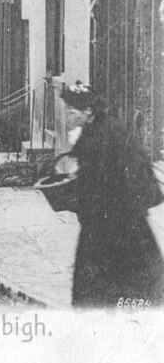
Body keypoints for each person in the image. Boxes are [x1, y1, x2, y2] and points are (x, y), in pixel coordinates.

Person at [61, 82, 164, 308]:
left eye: (72, 110)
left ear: (88, 111)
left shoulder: (104, 135)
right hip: (110, 219)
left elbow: (103, 181)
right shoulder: (96, 129)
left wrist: (77, 197)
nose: (68, 114)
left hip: (116, 221)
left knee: (111, 283)